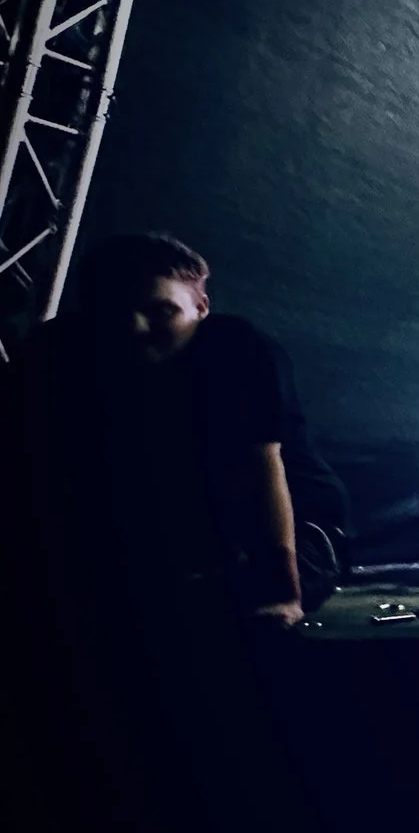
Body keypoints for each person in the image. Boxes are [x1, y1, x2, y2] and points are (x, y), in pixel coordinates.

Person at [8, 233, 350, 629]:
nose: (135, 327)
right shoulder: (55, 351)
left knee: (206, 609)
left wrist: (281, 593)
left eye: (161, 311)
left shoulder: (239, 350)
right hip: (171, 531)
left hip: (296, 526)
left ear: (201, 307)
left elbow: (262, 471)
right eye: (113, 312)